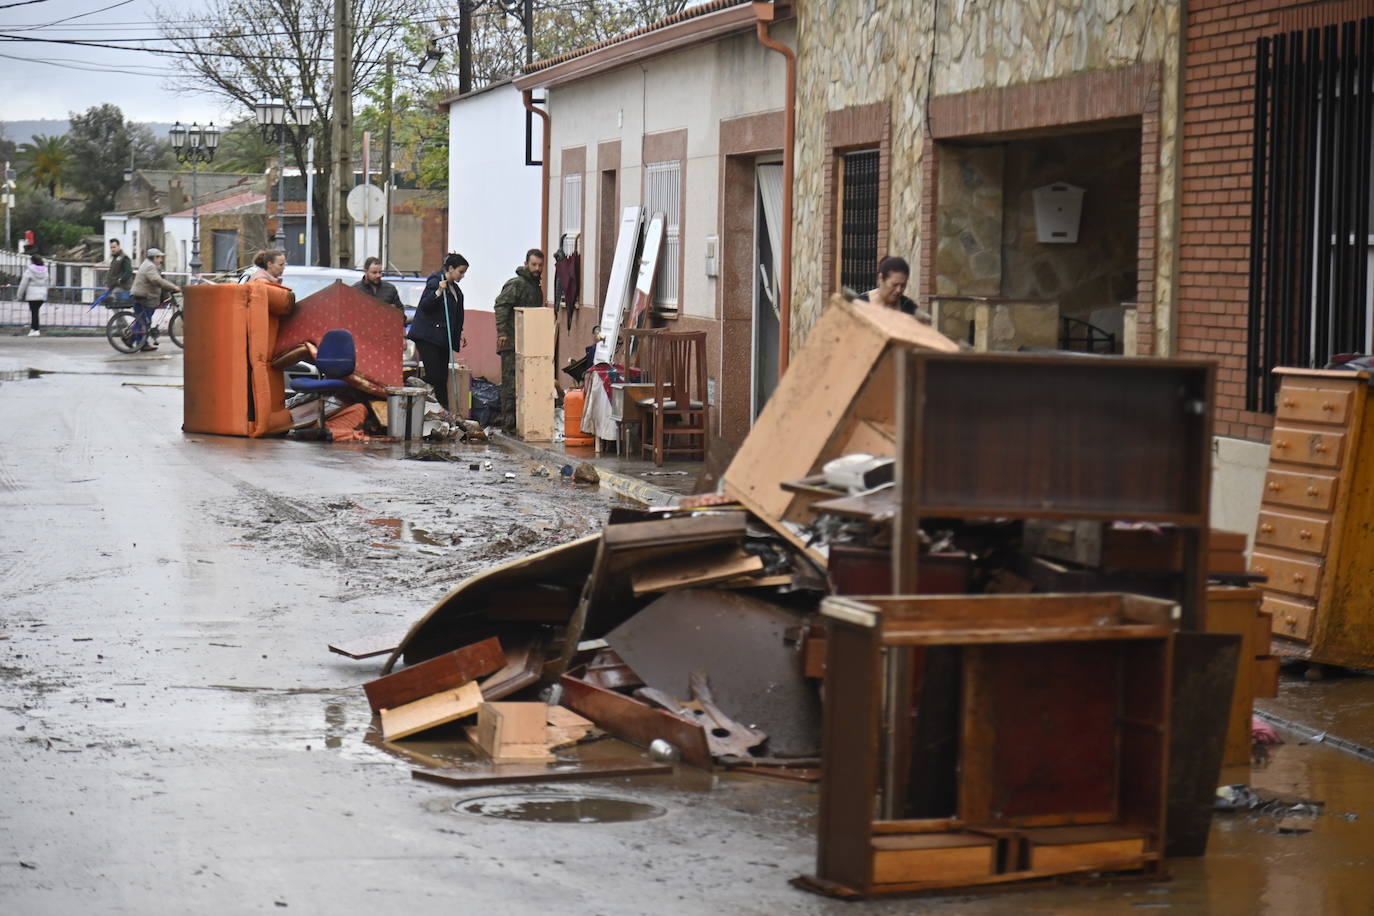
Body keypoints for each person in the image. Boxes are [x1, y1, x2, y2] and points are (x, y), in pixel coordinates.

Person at [407, 253, 469, 411]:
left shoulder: (455, 289)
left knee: (442, 378)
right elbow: (425, 306)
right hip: (428, 336)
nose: (462, 276)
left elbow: (456, 313)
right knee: (434, 375)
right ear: (450, 268)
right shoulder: (435, 281)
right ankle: (411, 384)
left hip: (442, 338)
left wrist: (458, 332)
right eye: (460, 272)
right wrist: (438, 292)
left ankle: (444, 410)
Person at [493, 248, 545, 433]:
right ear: (526, 264)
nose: (537, 268)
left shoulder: (535, 287)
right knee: (510, 383)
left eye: (540, 265)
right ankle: (509, 423)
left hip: (528, 344)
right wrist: (502, 333)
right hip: (511, 343)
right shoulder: (517, 284)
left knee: (525, 383)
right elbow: (501, 306)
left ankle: (521, 421)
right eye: (533, 264)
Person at [129, 248, 180, 352]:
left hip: (145, 296)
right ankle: (135, 341)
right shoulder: (150, 266)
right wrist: (173, 287)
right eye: (159, 257)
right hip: (143, 296)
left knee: (143, 320)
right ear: (155, 258)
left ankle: (138, 342)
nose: (161, 260)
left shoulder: (150, 265)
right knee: (144, 321)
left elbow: (158, 280)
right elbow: (156, 280)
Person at [864, 255, 931, 323]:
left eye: (903, 285)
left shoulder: (908, 307)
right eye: (894, 285)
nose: (898, 290)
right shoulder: (861, 304)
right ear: (881, 278)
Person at [17, 253, 48, 337]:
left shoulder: (29, 270)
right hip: (42, 295)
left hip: (32, 295)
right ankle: (35, 329)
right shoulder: (45, 270)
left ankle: (34, 329)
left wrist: (19, 295)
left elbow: (23, 284)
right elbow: (48, 282)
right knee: (36, 312)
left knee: (34, 312)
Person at [106, 239, 134, 304]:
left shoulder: (124, 258)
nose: (112, 249)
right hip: (113, 286)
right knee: (109, 302)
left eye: (114, 247)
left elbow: (128, 272)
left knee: (113, 300)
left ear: (119, 246)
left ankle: (120, 314)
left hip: (122, 287)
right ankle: (120, 314)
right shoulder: (115, 258)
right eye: (111, 247)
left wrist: (120, 280)